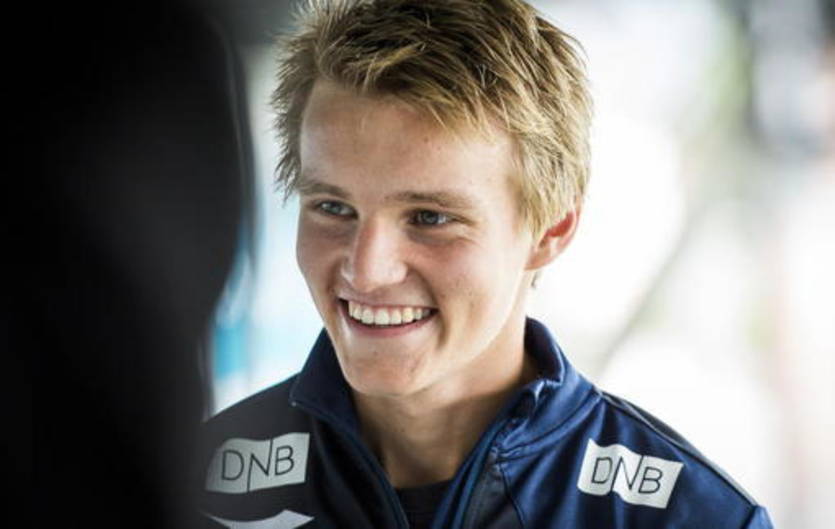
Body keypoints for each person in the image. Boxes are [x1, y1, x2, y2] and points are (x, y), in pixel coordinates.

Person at [197, 1, 773, 528]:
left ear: (551, 230)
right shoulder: (191, 490)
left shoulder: (692, 518)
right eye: (333, 207)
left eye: (429, 218)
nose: (366, 270)